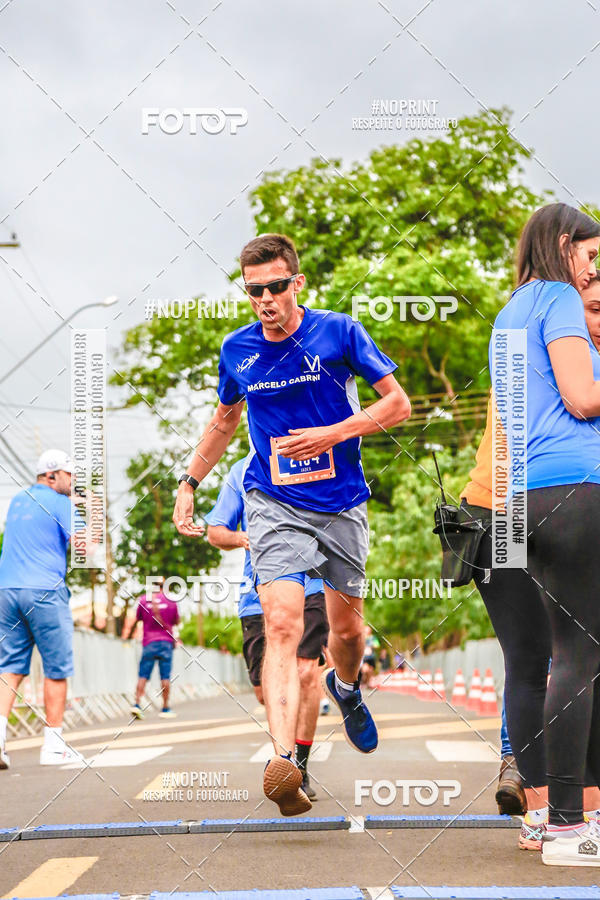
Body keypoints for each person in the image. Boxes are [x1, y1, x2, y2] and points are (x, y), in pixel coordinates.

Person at [173, 232, 411, 816]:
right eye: (254, 291)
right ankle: (283, 759)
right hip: (272, 498)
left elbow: (397, 405)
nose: (266, 299)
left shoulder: (338, 332)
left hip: (342, 501)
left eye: (276, 287)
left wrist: (334, 433)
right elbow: (225, 421)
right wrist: (189, 483)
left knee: (347, 633)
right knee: (280, 621)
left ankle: (347, 687)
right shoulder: (238, 349)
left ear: (297, 284)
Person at [491, 202, 600, 866]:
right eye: (590, 254)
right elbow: (583, 397)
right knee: (580, 659)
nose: (594, 269)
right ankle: (566, 825)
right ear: (564, 246)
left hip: (529, 496)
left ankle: (558, 818)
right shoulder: (558, 298)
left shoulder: (510, 310)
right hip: (574, 491)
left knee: (570, 656)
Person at [204, 454, 329, 799]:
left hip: (313, 583)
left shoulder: (317, 454)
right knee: (266, 689)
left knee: (305, 673)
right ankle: (285, 752)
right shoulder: (240, 471)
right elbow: (216, 531)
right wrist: (247, 538)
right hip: (256, 592)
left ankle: (294, 765)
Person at [0, 449, 94, 767]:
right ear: (51, 475)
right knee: (57, 668)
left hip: (7, 591)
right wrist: (86, 515)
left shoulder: (17, 501)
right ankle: (53, 746)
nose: (73, 481)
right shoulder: (60, 503)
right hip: (44, 592)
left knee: (9, 668)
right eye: (69, 475)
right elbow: (86, 547)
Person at [123, 577, 180, 719]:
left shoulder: (143, 600)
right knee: (165, 676)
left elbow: (138, 618)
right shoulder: (171, 601)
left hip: (149, 642)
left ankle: (136, 704)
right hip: (166, 643)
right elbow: (176, 621)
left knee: (143, 675)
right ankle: (165, 708)